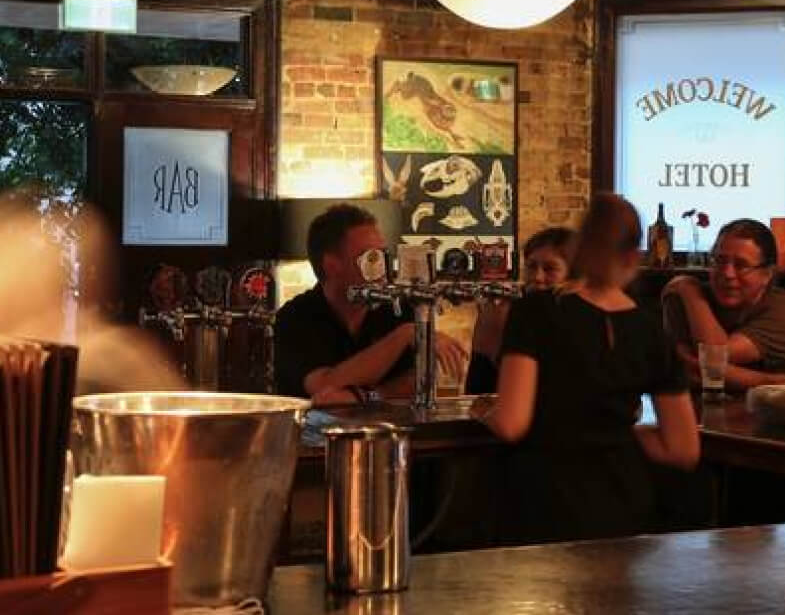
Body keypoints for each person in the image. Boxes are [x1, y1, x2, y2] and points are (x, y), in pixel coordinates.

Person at [470, 193, 700, 545]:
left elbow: (511, 424)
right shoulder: (650, 329)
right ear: (633, 257)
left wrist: (482, 410)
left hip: (545, 499)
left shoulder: (536, 311)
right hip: (623, 500)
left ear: (579, 247)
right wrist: (619, 434)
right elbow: (683, 449)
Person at [274, 203, 466, 405]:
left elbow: (418, 382)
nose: (382, 267)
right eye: (371, 258)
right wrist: (403, 335)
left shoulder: (396, 306)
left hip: (391, 424)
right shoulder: (294, 318)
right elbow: (324, 387)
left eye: (384, 255)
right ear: (332, 265)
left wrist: (365, 396)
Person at [661, 219, 785, 390]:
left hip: (769, 405)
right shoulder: (683, 298)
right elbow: (684, 370)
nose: (727, 274)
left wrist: (690, 293)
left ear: (767, 274)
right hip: (694, 403)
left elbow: (713, 357)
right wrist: (771, 381)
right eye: (719, 261)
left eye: (741, 265)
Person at [464, 227, 576, 394]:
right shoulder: (505, 309)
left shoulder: (582, 315)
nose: (537, 277)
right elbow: (480, 386)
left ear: (573, 275)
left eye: (550, 269)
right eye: (531, 267)